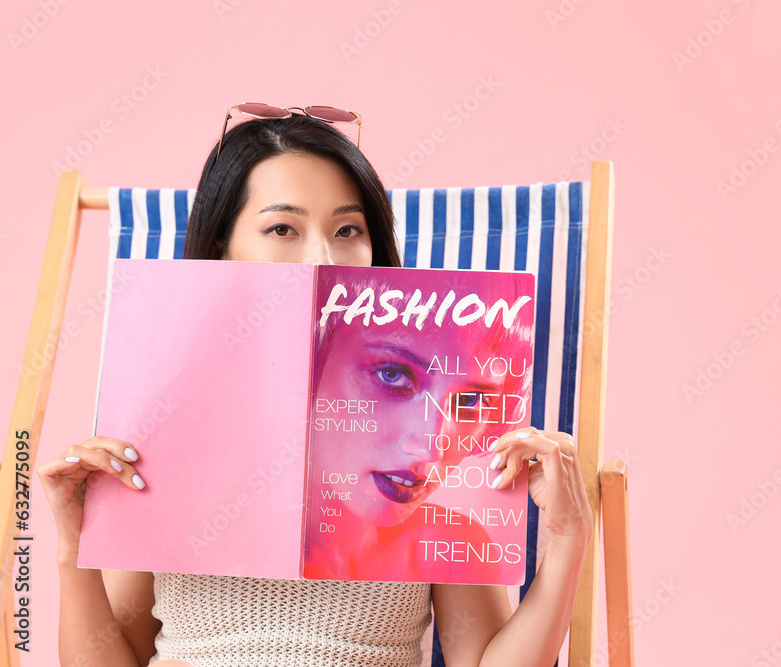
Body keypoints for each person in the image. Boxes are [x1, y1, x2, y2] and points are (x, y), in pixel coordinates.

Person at [38, 106, 592, 667]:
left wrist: (570, 538)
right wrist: (69, 546)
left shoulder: (439, 516)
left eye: (348, 230)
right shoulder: (162, 453)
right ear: (221, 248)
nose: (320, 257)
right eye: (282, 228)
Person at [304, 269, 535, 583]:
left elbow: (488, 637)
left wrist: (570, 536)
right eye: (392, 375)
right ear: (316, 360)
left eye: (470, 401)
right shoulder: (223, 524)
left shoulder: (451, 545)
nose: (429, 450)